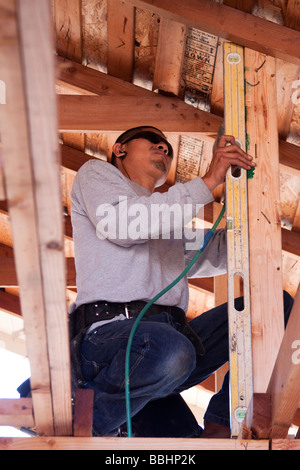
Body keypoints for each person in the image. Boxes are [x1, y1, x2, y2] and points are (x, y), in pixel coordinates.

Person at [69, 125, 293, 438]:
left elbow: (221, 250)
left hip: (170, 346)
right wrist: (207, 182)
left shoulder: (165, 224)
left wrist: (249, 204)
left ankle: (222, 422)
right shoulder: (96, 175)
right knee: (171, 351)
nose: (164, 148)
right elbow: (121, 225)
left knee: (274, 306)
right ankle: (86, 423)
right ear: (120, 149)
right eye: (153, 142)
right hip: (111, 342)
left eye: (167, 148)